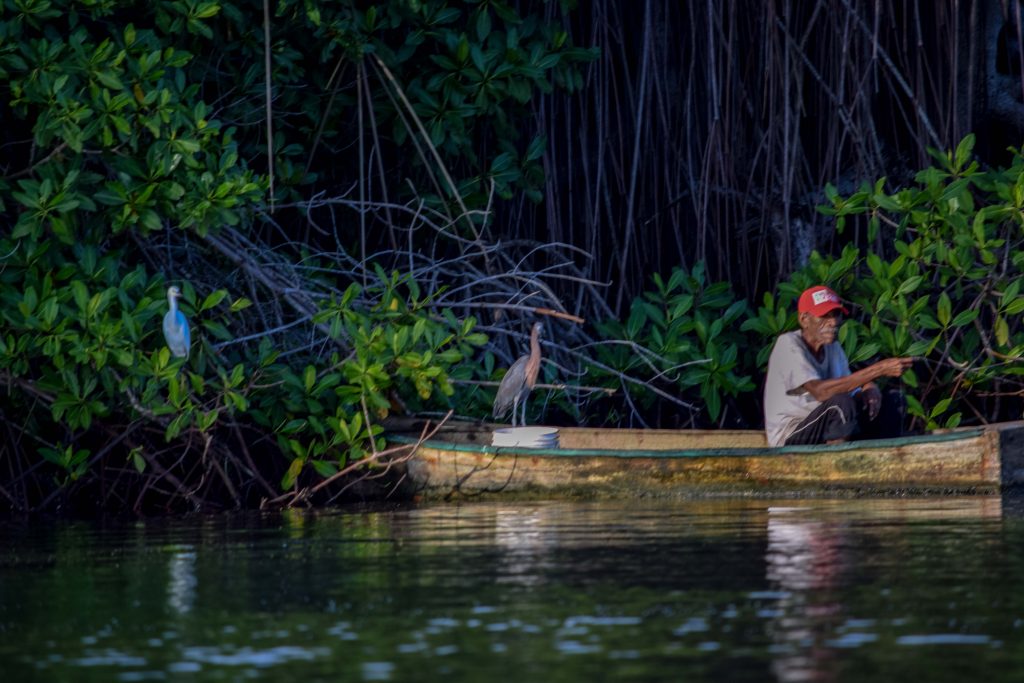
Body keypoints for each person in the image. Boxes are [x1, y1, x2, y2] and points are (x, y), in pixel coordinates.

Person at [763, 285, 914, 447]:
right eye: (824, 316)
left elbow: (850, 387)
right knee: (840, 403)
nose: (833, 322)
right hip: (790, 435)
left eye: (835, 315)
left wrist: (869, 388)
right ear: (804, 319)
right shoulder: (787, 344)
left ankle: (887, 458)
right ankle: (835, 466)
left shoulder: (833, 347)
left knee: (893, 400)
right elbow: (820, 392)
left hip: (825, 426)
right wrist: (878, 370)